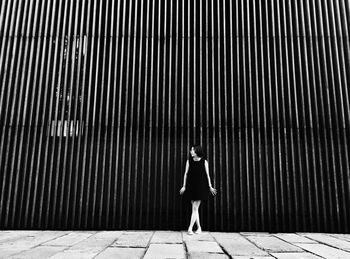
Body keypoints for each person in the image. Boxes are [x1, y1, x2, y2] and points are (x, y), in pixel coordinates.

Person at [179, 145, 217, 235]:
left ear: (197, 151)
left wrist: (210, 186)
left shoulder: (204, 162)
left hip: (201, 187)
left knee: (195, 207)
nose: (190, 151)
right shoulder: (189, 161)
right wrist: (184, 186)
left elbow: (207, 175)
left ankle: (190, 228)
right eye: (191, 150)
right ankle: (199, 228)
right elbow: (186, 174)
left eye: (192, 150)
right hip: (191, 186)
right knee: (194, 209)